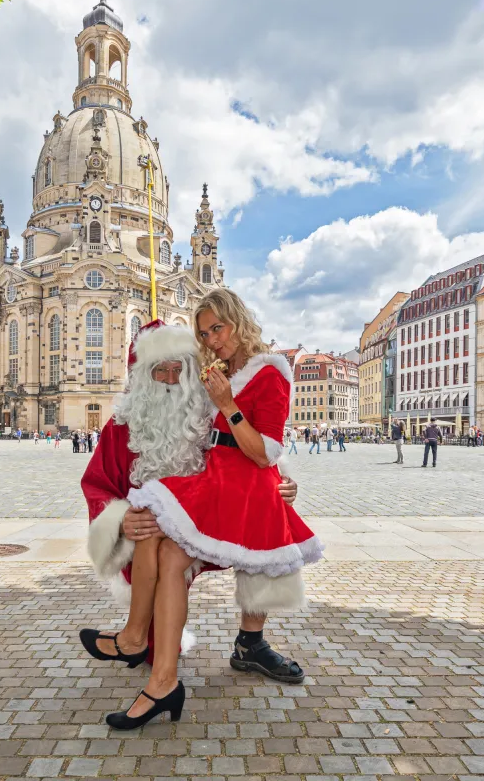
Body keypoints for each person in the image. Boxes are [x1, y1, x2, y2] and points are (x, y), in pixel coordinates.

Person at [91, 291, 321, 730]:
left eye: (218, 328)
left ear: (237, 319)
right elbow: (99, 485)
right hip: (217, 482)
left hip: (239, 485)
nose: (212, 340)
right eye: (204, 334)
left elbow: (266, 447)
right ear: (143, 374)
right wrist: (117, 518)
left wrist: (281, 478)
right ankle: (159, 673)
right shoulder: (209, 380)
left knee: (254, 555)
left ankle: (170, 645)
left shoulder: (263, 371)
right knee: (162, 547)